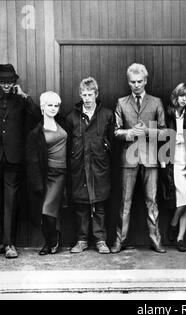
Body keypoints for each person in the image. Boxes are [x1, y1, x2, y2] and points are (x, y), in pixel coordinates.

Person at [0, 64, 40, 259]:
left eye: (10, 82)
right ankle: (3, 242)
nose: (6, 85)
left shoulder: (21, 102)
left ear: (14, 82)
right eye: (3, 81)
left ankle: (10, 243)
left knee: (11, 201)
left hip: (14, 159)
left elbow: (38, 117)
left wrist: (25, 96)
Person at [112, 63, 167, 254]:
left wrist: (146, 131)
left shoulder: (156, 102)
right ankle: (120, 241)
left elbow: (164, 132)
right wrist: (129, 132)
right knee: (124, 203)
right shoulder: (121, 102)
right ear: (128, 82)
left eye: (139, 81)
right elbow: (115, 131)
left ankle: (156, 240)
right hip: (129, 158)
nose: (136, 85)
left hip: (150, 158)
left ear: (145, 81)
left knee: (152, 202)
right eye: (132, 82)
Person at [66, 77, 114, 254]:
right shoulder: (72, 117)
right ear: (80, 95)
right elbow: (69, 145)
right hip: (79, 167)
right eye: (84, 95)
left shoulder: (107, 115)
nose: (87, 98)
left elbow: (112, 144)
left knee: (100, 205)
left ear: (96, 94)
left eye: (90, 95)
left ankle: (101, 240)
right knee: (81, 206)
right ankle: (82, 240)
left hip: (99, 167)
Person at [26, 91, 67, 255]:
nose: (53, 108)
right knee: (44, 211)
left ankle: (51, 241)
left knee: (48, 209)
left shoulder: (63, 122)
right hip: (47, 174)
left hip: (62, 174)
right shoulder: (36, 133)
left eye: (56, 105)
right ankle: (52, 240)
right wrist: (36, 183)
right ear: (42, 107)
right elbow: (32, 160)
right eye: (49, 105)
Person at [160, 83, 186, 252]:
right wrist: (162, 159)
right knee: (185, 196)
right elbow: (160, 137)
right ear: (175, 97)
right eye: (181, 95)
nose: (184, 99)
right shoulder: (167, 114)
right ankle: (175, 226)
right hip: (171, 159)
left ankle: (179, 236)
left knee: (185, 197)